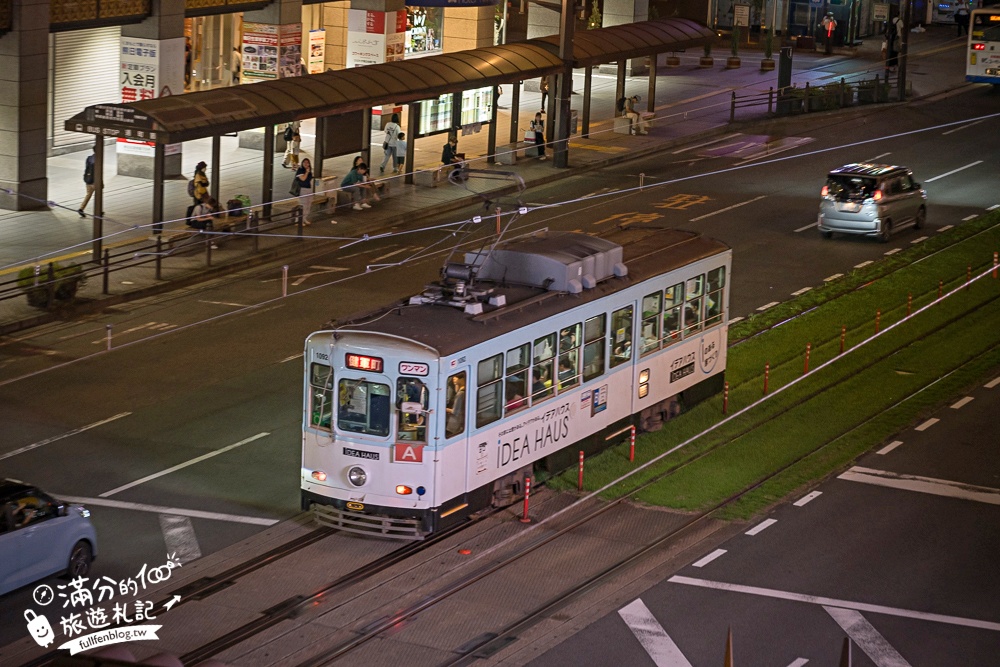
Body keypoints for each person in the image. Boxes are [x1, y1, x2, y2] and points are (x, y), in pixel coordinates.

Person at [295, 158, 314, 223]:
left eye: (307, 162)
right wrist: (306, 172)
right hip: (303, 189)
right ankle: (299, 220)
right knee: (303, 205)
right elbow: (303, 179)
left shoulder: (309, 171)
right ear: (302, 163)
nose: (306, 164)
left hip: (309, 189)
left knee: (308, 205)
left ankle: (304, 218)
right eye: (304, 162)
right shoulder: (300, 170)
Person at [78, 149, 95, 218]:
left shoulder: (89, 158)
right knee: (98, 195)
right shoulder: (98, 159)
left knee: (88, 195)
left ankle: (81, 208)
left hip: (88, 179)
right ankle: (98, 210)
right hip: (95, 181)